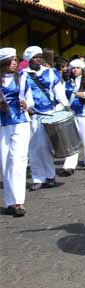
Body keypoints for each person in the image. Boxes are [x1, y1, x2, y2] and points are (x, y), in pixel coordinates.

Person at [20, 46, 69, 191]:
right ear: (29, 60)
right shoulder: (23, 75)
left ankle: (50, 175)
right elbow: (21, 95)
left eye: (40, 56)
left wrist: (65, 104)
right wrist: (25, 107)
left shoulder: (50, 73)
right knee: (34, 148)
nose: (38, 59)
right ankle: (37, 178)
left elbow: (58, 90)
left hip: (49, 114)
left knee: (45, 146)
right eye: (35, 57)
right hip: (33, 115)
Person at [0, 48, 32, 217]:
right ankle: (10, 202)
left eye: (15, 60)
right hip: (2, 124)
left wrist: (26, 104)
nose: (14, 62)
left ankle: (19, 201)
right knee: (5, 162)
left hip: (20, 122)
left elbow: (30, 99)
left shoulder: (24, 78)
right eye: (11, 60)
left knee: (18, 159)